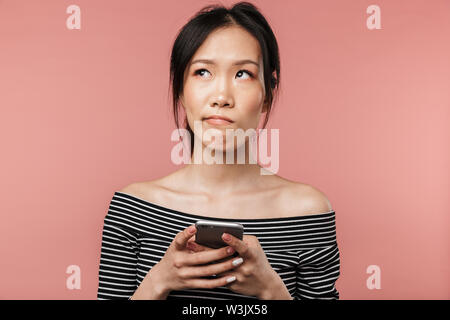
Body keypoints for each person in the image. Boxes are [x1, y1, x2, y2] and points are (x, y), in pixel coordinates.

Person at [97, 1, 340, 300]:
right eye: (202, 72)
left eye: (243, 74)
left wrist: (271, 290)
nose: (222, 96)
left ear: (267, 95)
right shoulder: (132, 208)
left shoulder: (309, 212)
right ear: (181, 92)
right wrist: (157, 283)